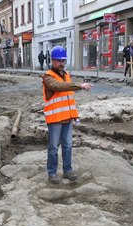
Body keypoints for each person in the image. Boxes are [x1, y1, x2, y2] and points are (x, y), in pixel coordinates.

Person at [42, 46, 93, 184]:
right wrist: (79, 86)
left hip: (67, 118)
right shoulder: (48, 77)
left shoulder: (66, 75)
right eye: (58, 61)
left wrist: (75, 115)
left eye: (63, 60)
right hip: (55, 119)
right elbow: (58, 87)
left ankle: (67, 171)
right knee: (53, 147)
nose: (61, 63)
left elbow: (69, 98)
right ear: (52, 60)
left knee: (68, 146)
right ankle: (52, 173)